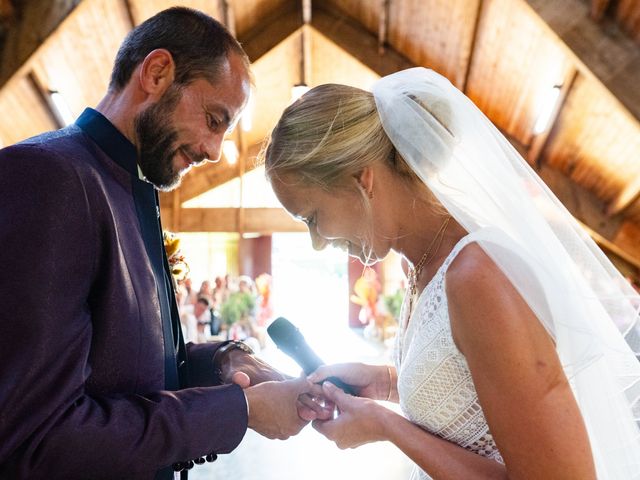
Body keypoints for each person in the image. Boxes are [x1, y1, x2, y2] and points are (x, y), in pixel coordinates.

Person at [262, 67, 640, 478]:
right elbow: (475, 392)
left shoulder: (480, 276)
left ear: (361, 180)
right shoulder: (424, 267)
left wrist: (387, 425)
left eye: (312, 218)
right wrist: (388, 383)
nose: (317, 242)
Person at [0, 7, 327, 480]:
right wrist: (238, 411)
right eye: (215, 119)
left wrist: (222, 362)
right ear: (156, 73)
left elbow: (124, 369)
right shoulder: (51, 178)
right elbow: (37, 437)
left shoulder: (136, 190)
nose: (215, 151)